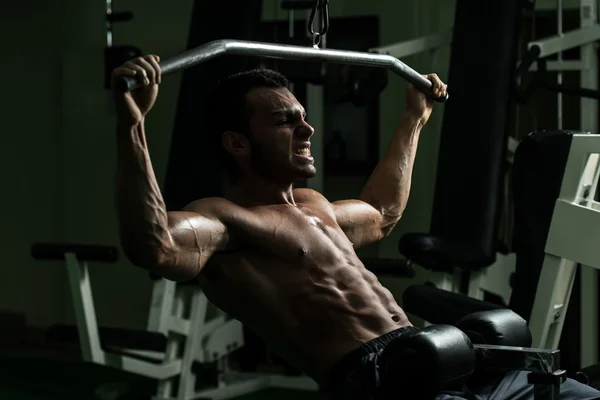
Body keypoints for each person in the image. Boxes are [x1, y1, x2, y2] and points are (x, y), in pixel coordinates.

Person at [111, 55, 600, 400]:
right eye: (285, 121)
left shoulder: (314, 205)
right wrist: (133, 125)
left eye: (303, 117)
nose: (307, 130)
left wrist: (414, 118)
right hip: (385, 381)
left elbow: (382, 212)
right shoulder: (224, 220)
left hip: (442, 359)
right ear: (238, 143)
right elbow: (152, 246)